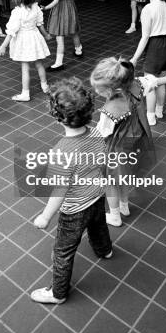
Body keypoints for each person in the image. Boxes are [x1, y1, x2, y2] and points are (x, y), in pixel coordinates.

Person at [31, 77, 112, 304]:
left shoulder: (61, 151)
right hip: (97, 195)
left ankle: (57, 293)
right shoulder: (97, 133)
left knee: (63, 252)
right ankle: (105, 250)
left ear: (57, 117)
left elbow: (60, 190)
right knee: (98, 225)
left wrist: (45, 217)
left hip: (74, 209)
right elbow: (102, 162)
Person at [91, 57, 166, 226]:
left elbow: (102, 132)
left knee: (110, 181)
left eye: (98, 89)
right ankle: (124, 206)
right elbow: (152, 81)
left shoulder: (110, 109)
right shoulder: (137, 84)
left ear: (110, 89)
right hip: (136, 141)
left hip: (118, 148)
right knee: (122, 177)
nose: (96, 91)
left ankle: (114, 216)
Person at [130, 0, 166, 125]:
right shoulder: (164, 5)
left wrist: (135, 58)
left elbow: (145, 37)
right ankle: (159, 111)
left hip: (155, 47)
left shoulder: (147, 9)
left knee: (150, 83)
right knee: (160, 82)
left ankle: (150, 117)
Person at [0, 0, 51, 101]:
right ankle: (45, 86)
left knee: (25, 67)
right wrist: (46, 35)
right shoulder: (36, 7)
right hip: (35, 37)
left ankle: (25, 94)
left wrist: (3, 45)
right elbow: (40, 24)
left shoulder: (17, 12)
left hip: (23, 41)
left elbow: (11, 31)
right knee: (39, 63)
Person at [42, 0, 96, 71]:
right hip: (71, 8)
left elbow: (55, 1)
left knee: (59, 36)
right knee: (74, 31)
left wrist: (44, 8)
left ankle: (58, 63)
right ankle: (78, 50)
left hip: (60, 10)